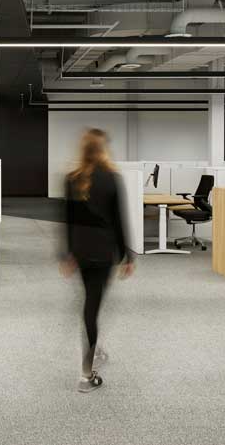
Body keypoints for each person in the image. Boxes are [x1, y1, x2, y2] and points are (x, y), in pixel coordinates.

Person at [60, 128, 134, 393]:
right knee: (92, 305)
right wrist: (127, 255)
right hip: (103, 252)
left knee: (90, 301)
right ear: (103, 149)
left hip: (81, 251)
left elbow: (68, 220)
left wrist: (68, 253)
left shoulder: (71, 179)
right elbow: (119, 220)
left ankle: (95, 347)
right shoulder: (112, 178)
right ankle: (86, 374)